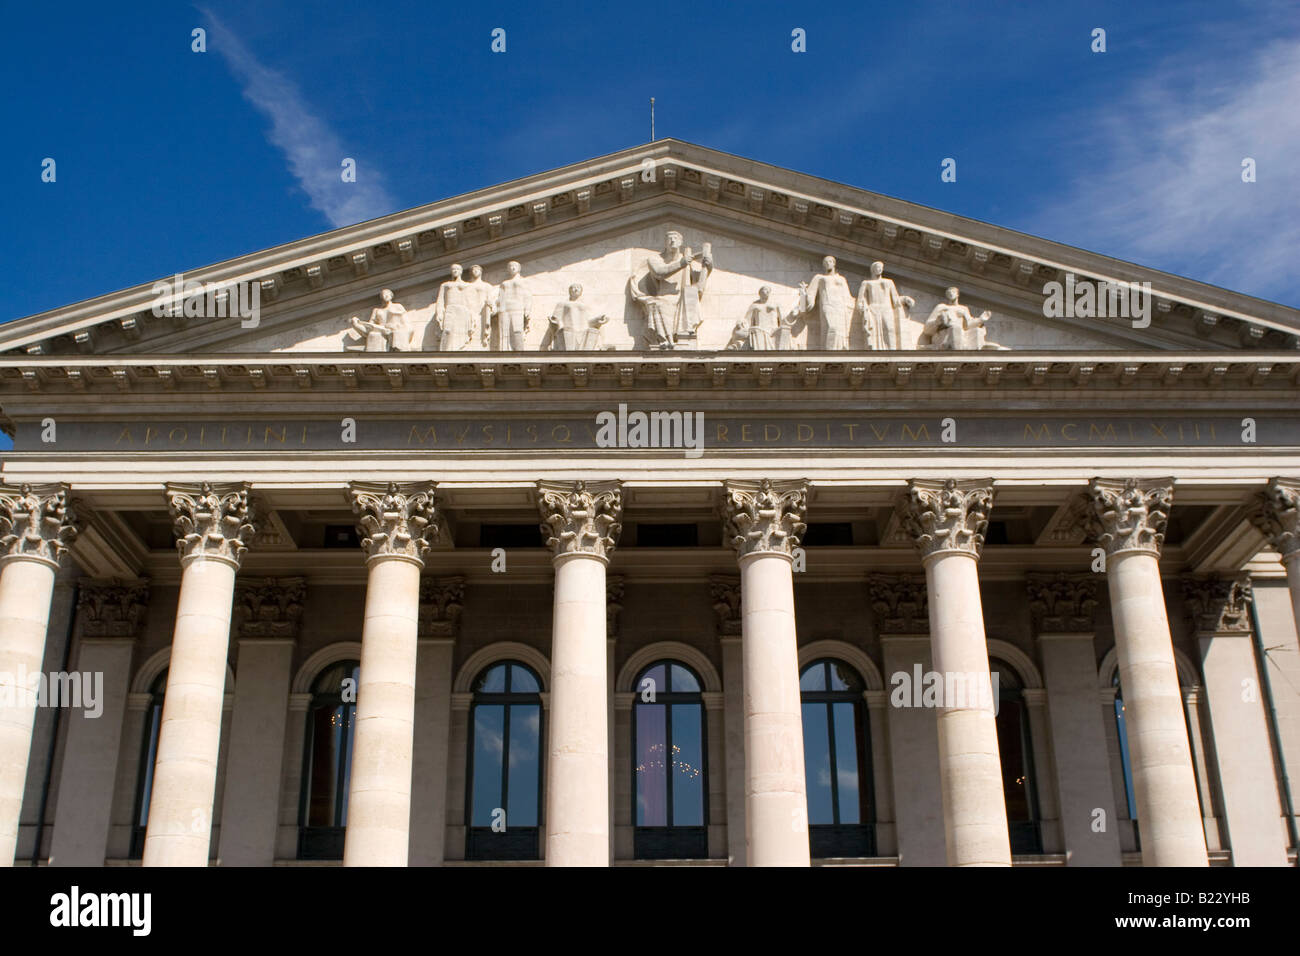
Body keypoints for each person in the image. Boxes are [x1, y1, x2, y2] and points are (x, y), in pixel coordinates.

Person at [628, 230, 713, 349]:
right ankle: (666, 342)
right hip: (665, 297)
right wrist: (681, 264)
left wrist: (708, 267)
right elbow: (659, 272)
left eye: (675, 238)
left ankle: (685, 338)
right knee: (659, 304)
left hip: (682, 298)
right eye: (669, 238)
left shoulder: (687, 261)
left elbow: (698, 284)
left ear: (681, 242)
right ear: (665, 243)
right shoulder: (655, 259)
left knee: (690, 294)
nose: (672, 241)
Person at [856, 261, 914, 350]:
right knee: (873, 332)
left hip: (886, 308)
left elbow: (896, 299)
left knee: (889, 329)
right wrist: (861, 306)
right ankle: (873, 351)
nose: (879, 269)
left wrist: (905, 299)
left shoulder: (889, 282)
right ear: (872, 270)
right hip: (873, 309)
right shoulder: (866, 283)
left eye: (880, 267)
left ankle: (892, 350)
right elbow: (861, 299)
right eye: (877, 267)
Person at [803, 255, 853, 350]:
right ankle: (829, 351)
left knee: (839, 331)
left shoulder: (841, 279)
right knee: (832, 327)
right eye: (825, 262)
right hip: (828, 305)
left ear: (834, 263)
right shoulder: (819, 278)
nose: (827, 263)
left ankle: (838, 351)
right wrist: (803, 295)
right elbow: (810, 294)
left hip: (841, 307)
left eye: (829, 261)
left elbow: (848, 297)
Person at [918, 286, 991, 350]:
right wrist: (938, 321)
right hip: (944, 336)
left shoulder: (963, 309)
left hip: (960, 336)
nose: (950, 293)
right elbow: (927, 329)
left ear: (957, 294)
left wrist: (981, 319)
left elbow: (968, 325)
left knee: (966, 330)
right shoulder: (941, 307)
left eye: (953, 292)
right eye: (948, 293)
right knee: (955, 329)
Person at [546, 283, 608, 351]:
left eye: (578, 287)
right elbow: (556, 320)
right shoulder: (562, 304)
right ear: (570, 291)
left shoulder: (584, 306)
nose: (576, 289)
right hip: (568, 333)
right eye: (573, 287)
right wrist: (554, 323)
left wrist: (599, 319)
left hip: (584, 333)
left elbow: (588, 321)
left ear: (581, 291)